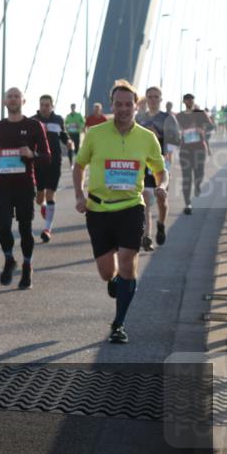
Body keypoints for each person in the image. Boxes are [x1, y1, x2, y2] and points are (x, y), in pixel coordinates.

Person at [73, 80, 167, 343]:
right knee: (107, 272)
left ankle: (119, 324)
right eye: (118, 104)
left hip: (130, 207)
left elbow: (160, 170)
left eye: (128, 104)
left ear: (136, 106)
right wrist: (80, 195)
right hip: (98, 209)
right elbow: (78, 166)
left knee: (128, 262)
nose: (123, 109)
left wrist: (162, 186)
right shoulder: (95, 134)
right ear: (112, 105)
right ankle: (114, 281)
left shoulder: (147, 138)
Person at [0, 87, 50, 289]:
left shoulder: (34, 126)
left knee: (25, 229)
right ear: (4, 102)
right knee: (3, 227)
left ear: (23, 101)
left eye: (16, 97)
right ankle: (9, 259)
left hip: (24, 185)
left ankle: (27, 266)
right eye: (9, 97)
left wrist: (32, 154)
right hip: (2, 185)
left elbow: (47, 157)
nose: (13, 100)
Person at [135, 86, 180, 250]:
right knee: (145, 199)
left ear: (161, 99)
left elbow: (176, 141)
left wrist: (159, 136)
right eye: (150, 97)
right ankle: (146, 236)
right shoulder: (139, 119)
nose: (153, 100)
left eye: (156, 97)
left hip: (161, 162)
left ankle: (161, 224)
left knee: (161, 198)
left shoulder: (167, 118)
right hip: (144, 163)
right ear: (146, 99)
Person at [32, 94, 73, 243]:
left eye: (47, 105)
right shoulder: (33, 120)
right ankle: (43, 206)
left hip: (55, 162)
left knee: (50, 195)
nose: (44, 107)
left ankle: (47, 229)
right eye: (42, 104)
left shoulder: (58, 119)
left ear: (52, 106)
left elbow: (63, 134)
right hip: (38, 163)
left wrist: (68, 141)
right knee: (39, 198)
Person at [176, 93, 212, 214]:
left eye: (191, 100)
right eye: (187, 100)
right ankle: (188, 204)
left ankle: (197, 185)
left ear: (193, 101)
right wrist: (179, 132)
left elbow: (211, 126)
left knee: (199, 172)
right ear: (184, 102)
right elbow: (173, 130)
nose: (189, 102)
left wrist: (202, 129)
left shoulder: (201, 113)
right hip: (185, 150)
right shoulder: (179, 116)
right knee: (186, 178)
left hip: (199, 149)